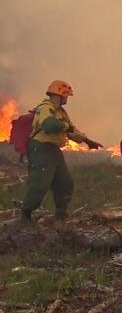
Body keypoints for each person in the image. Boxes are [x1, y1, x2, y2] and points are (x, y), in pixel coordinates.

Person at [21, 80, 102, 225]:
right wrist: (66, 127)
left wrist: (88, 141)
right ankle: (26, 215)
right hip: (40, 148)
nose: (67, 99)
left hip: (53, 150)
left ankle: (61, 213)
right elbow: (49, 125)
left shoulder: (61, 113)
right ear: (58, 95)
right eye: (65, 96)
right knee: (39, 183)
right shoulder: (45, 108)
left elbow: (72, 131)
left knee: (65, 182)